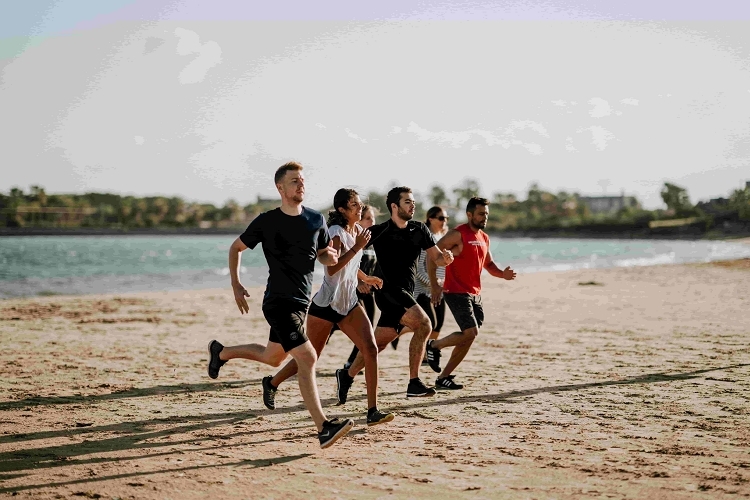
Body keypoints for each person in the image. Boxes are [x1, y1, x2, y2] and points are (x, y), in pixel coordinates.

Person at [206, 162, 354, 449]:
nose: (301, 185)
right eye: (294, 181)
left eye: (302, 180)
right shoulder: (267, 220)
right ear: (280, 188)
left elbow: (323, 254)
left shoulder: (315, 219)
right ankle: (323, 427)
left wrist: (331, 258)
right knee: (308, 358)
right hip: (277, 302)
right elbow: (236, 247)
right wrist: (236, 284)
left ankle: (221, 352)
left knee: (273, 358)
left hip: (301, 303)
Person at [262, 190, 395, 426]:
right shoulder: (335, 233)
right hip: (325, 306)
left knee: (371, 349)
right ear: (343, 210)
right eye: (353, 205)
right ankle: (272, 383)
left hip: (348, 304)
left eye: (359, 204)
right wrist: (358, 248)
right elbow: (332, 269)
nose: (359, 208)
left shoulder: (357, 232)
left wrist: (365, 278)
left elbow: (350, 267)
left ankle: (372, 411)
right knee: (310, 356)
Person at [336, 186, 454, 402]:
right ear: (394, 206)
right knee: (425, 324)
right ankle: (414, 382)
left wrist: (445, 259)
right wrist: (361, 279)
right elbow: (349, 255)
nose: (413, 205)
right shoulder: (379, 231)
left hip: (405, 292)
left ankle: (346, 374)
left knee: (377, 344)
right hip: (388, 291)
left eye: (413, 201)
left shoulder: (420, 229)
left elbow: (436, 257)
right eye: (407, 202)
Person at [425, 197, 517, 390]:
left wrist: (503, 275)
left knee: (469, 336)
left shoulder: (484, 237)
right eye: (481, 214)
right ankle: (434, 346)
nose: (485, 217)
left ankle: (444, 377)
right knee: (471, 332)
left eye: (486, 214)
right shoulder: (457, 234)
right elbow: (431, 256)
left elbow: (489, 265)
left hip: (475, 293)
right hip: (456, 291)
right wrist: (434, 285)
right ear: (470, 215)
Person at [413, 206, 450, 370]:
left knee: (439, 324)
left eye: (446, 219)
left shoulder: (443, 238)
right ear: (431, 219)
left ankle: (428, 353)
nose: (444, 221)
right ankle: (399, 332)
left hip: (440, 288)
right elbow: (419, 268)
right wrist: (433, 283)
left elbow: (445, 266)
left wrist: (444, 283)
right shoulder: (426, 238)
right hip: (423, 289)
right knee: (430, 323)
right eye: (441, 218)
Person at [343, 204, 379, 369]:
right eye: (368, 218)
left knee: (368, 329)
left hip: (368, 294)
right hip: (351, 292)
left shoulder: (373, 242)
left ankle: (351, 361)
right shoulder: (354, 241)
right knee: (331, 329)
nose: (372, 222)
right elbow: (344, 265)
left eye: (373, 218)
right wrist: (358, 282)